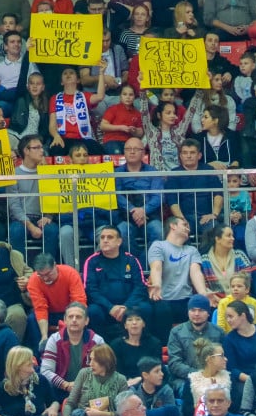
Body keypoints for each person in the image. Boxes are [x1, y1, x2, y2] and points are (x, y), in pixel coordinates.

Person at [147, 216, 216, 344]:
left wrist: (203, 293)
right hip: (164, 299)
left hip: (185, 299)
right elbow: (156, 268)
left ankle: (202, 347)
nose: (188, 229)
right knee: (161, 311)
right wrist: (156, 284)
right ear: (173, 226)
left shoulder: (191, 250)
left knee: (205, 306)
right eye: (184, 225)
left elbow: (196, 272)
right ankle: (164, 349)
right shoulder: (158, 246)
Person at [8, 135, 73, 263]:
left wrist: (49, 216)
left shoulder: (48, 172)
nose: (42, 151)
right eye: (36, 148)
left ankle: (47, 269)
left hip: (42, 217)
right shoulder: (14, 173)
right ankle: (21, 272)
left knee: (52, 229)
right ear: (26, 151)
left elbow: (55, 197)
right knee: (16, 231)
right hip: (21, 219)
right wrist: (31, 226)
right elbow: (14, 205)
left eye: (41, 147)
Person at [83, 226, 151, 343]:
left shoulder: (131, 260)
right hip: (104, 307)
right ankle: (101, 347)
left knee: (146, 308)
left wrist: (126, 307)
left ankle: (143, 345)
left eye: (110, 237)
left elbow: (140, 286)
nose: (105, 240)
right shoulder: (92, 261)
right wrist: (110, 307)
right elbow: (90, 289)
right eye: (102, 237)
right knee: (92, 311)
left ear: (119, 241)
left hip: (128, 306)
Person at [0, 346, 60, 416]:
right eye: (28, 362)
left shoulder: (40, 380)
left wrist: (53, 408)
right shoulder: (3, 388)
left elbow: (54, 401)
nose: (33, 362)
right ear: (18, 365)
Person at [60, 344, 128, 416]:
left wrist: (100, 414)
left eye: (95, 360)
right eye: (90, 359)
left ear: (106, 362)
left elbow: (123, 412)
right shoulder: (84, 373)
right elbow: (70, 403)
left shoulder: (121, 380)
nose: (91, 363)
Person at [40, 302, 104, 400]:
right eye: (70, 317)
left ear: (86, 321)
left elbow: (104, 370)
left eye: (78, 317)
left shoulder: (97, 341)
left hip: (89, 391)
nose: (74, 320)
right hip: (59, 392)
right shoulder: (54, 339)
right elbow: (45, 371)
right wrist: (65, 385)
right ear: (65, 320)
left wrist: (83, 385)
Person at [222, 300, 256, 410]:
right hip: (245, 379)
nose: (228, 320)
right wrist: (251, 380)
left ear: (243, 315)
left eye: (231, 316)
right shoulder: (229, 339)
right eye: (226, 317)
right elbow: (232, 368)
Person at [166, 296, 224, 390]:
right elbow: (174, 363)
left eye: (201, 310)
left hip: (213, 378)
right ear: (188, 312)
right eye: (193, 310)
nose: (196, 314)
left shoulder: (218, 332)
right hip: (185, 379)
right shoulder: (177, 332)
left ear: (208, 312)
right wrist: (199, 375)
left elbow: (223, 359)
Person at [200, 225, 252, 300]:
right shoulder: (204, 260)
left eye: (232, 235)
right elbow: (204, 285)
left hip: (239, 302)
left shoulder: (240, 256)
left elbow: (247, 281)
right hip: (214, 302)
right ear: (218, 239)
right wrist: (218, 300)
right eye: (228, 236)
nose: (233, 238)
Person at [111, 313, 162, 387]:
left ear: (143, 324)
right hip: (125, 384)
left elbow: (157, 368)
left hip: (150, 383)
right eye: (130, 320)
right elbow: (117, 372)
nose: (134, 323)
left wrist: (141, 380)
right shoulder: (116, 345)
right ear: (125, 325)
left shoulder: (154, 343)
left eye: (138, 319)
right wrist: (129, 382)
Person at [187, 386, 252, 416]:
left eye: (220, 400)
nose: (215, 405)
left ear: (228, 403)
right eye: (211, 401)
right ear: (206, 404)